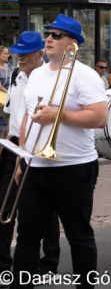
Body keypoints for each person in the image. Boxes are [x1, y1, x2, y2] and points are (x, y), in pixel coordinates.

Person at [12, 14, 108, 289]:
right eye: (48, 34)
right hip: (35, 167)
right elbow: (27, 116)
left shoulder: (85, 75)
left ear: (72, 44)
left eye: (57, 35)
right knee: (27, 235)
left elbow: (100, 117)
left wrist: (57, 115)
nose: (49, 39)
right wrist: (22, 157)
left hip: (74, 167)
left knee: (79, 235)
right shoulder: (38, 74)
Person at [1, 32, 60, 284]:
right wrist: (5, 144)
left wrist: (23, 152)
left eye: (25, 53)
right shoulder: (15, 75)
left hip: (35, 147)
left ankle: (49, 262)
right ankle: (4, 263)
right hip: (13, 144)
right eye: (17, 53)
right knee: (4, 204)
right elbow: (11, 115)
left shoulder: (46, 79)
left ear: (40, 54)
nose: (19, 57)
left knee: (41, 208)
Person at [0, 46, 14, 136]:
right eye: (5, 54)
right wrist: (9, 93)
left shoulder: (10, 67)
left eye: (8, 53)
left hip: (8, 100)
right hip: (1, 101)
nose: (8, 55)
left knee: (8, 128)